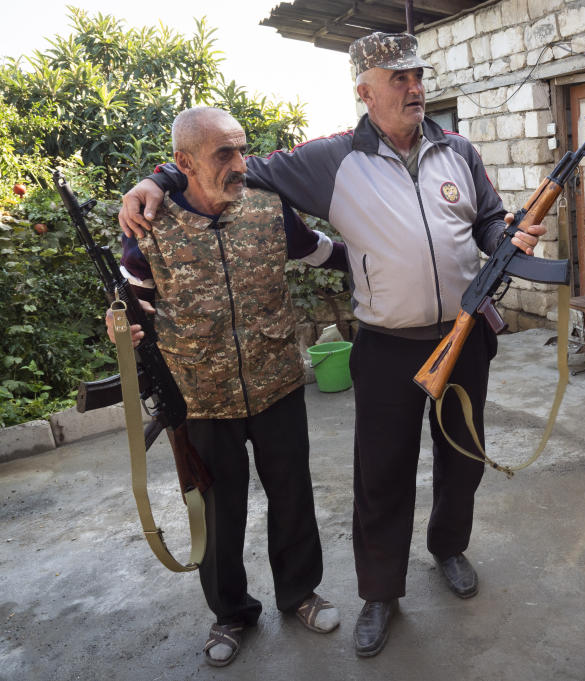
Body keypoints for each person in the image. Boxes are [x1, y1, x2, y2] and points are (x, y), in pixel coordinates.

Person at [117, 33, 544, 657]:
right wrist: (155, 180)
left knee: (464, 456)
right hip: (387, 346)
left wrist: (505, 230)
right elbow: (232, 165)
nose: (415, 87)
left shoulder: (460, 151)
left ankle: (449, 547)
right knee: (382, 474)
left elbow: (484, 218)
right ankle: (380, 592)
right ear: (365, 91)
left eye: (417, 75)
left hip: (464, 334)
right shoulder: (330, 159)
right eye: (398, 79)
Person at [107, 106, 348, 667]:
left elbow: (317, 251)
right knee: (219, 511)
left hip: (278, 385)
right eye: (225, 154)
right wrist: (120, 324)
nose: (242, 164)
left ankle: (299, 594)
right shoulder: (151, 229)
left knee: (292, 495)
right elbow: (126, 300)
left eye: (243, 150)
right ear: (184, 163)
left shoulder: (267, 208)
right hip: (201, 399)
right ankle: (231, 613)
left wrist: (375, 262)